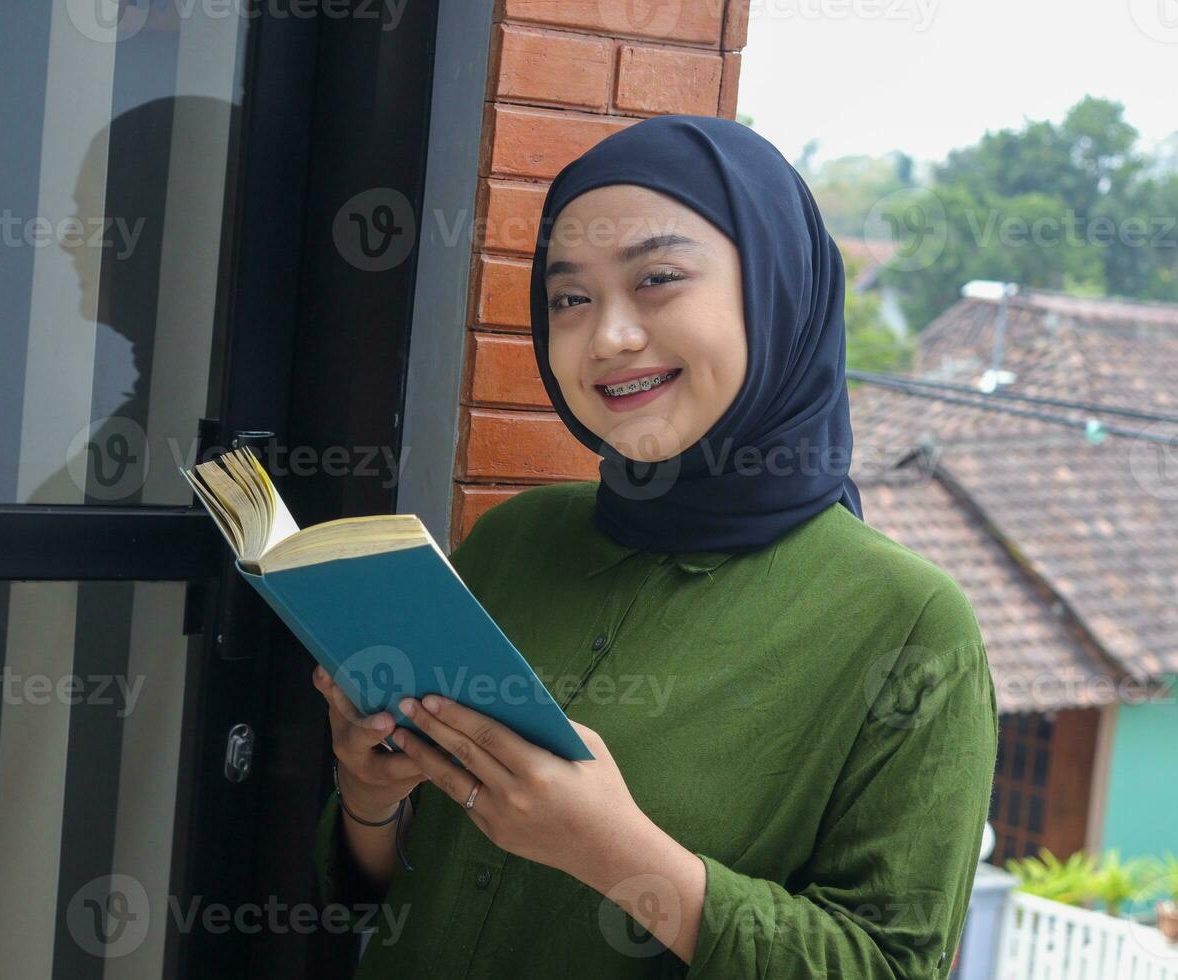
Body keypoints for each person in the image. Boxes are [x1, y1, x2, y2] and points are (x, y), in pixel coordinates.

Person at [311, 113, 998, 978]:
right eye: (570, 298)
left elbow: (893, 968)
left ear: (775, 289)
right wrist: (370, 800)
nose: (609, 338)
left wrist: (621, 856)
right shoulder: (514, 542)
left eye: (658, 279)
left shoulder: (910, 626)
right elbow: (380, 899)